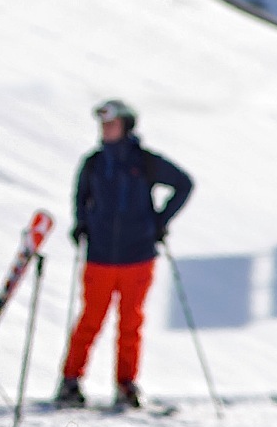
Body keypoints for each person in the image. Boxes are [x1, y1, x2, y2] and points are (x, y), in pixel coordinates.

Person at [58, 99, 194, 410]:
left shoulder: (144, 161)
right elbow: (80, 197)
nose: (105, 129)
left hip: (137, 256)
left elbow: (184, 184)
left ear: (127, 125)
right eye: (103, 124)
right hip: (101, 256)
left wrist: (159, 221)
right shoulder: (93, 163)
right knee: (90, 320)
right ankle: (70, 381)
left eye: (112, 123)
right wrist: (81, 224)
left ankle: (126, 384)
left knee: (130, 323)